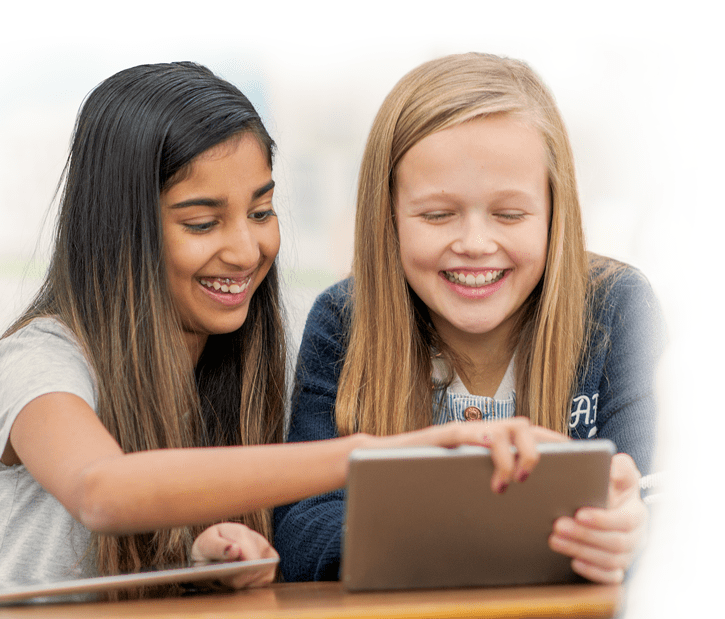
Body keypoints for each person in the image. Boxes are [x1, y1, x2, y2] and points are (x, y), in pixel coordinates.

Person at [0, 61, 560, 600]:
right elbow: (102, 491)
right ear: (119, 231)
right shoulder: (37, 360)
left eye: (261, 212)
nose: (246, 249)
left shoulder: (226, 368)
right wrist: (370, 455)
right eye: (203, 222)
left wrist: (202, 559)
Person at [274, 52, 664, 585]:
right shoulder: (343, 321)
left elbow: (653, 500)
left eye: (510, 214)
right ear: (387, 216)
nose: (475, 244)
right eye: (437, 215)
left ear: (556, 211)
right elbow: (298, 526)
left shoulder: (619, 308)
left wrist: (629, 532)